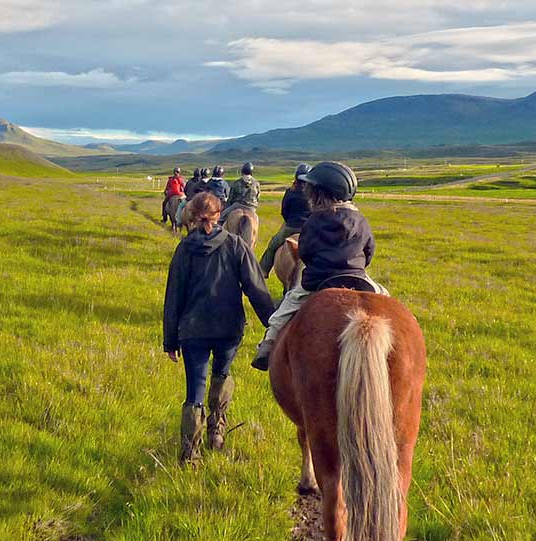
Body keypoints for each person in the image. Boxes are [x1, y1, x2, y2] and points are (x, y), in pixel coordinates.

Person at [162, 191, 275, 463]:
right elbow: (256, 289)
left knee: (195, 390)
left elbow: (173, 296)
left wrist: (170, 341)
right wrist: (273, 324)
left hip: (193, 331)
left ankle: (190, 455)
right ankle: (217, 430)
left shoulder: (184, 250)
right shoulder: (237, 245)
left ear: (190, 215)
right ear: (219, 214)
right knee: (222, 374)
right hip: (228, 329)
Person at [250, 161, 387, 372]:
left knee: (282, 312)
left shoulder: (315, 220)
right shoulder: (360, 219)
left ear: (319, 194)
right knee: (387, 300)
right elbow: (369, 251)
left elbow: (304, 252)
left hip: (318, 281)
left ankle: (267, 347)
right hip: (357, 277)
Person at [259, 163, 312, 276]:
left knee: (273, 244)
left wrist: (289, 221)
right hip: (309, 228)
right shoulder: (312, 194)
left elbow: (284, 211)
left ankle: (263, 270)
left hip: (291, 226)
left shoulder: (290, 192)